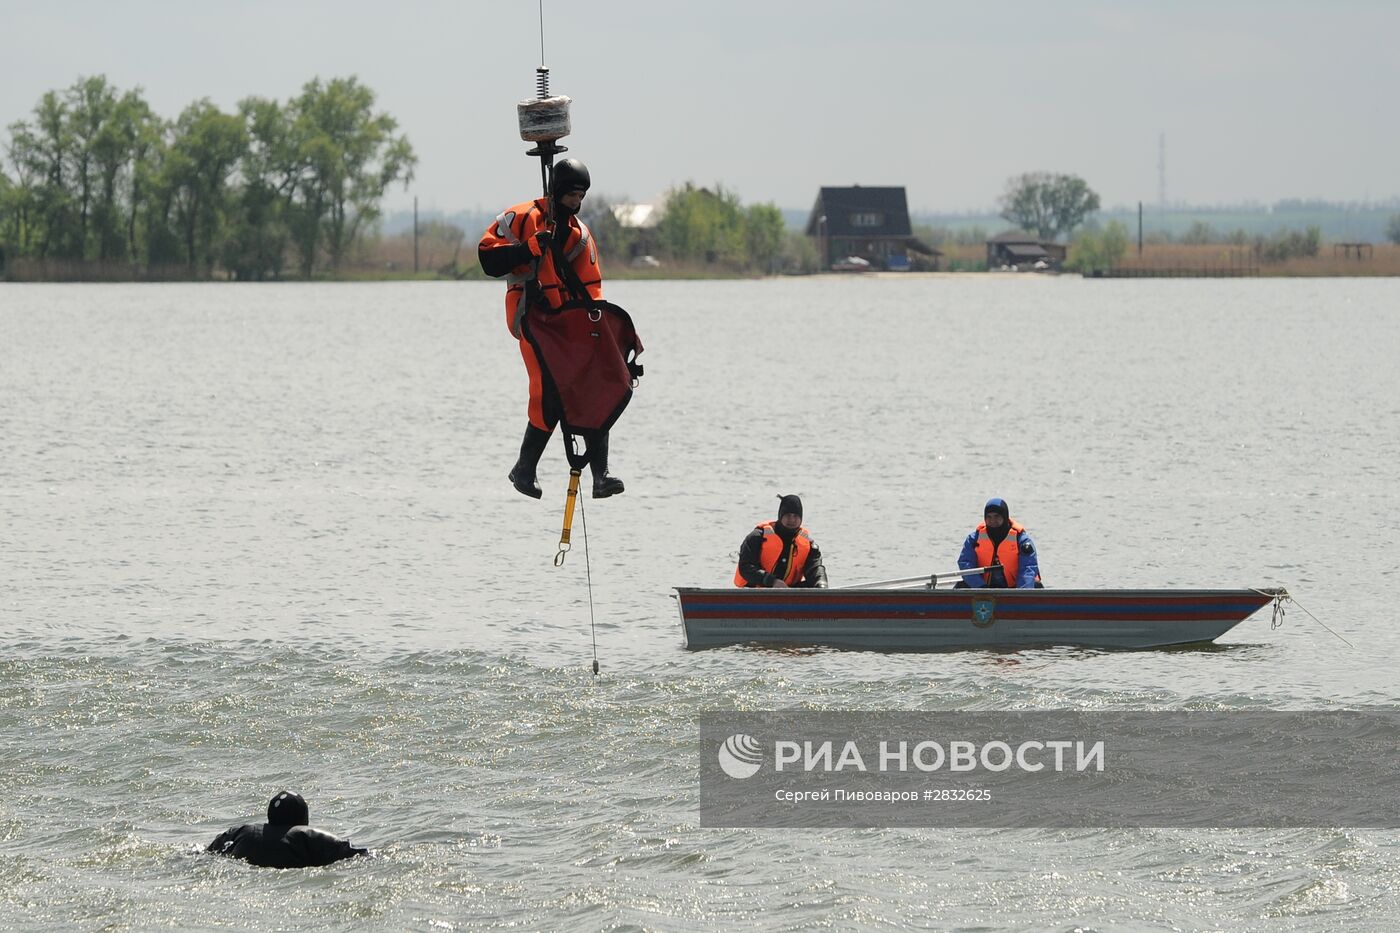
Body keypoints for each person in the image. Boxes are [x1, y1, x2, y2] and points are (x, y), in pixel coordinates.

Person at [478, 157, 637, 500]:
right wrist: (527, 249)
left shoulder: (580, 236)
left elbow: (593, 291)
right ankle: (524, 469)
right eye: (571, 196)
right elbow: (486, 258)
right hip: (532, 317)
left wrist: (607, 336)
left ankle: (601, 474)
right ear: (557, 192)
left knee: (598, 384)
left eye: (581, 197)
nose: (576, 203)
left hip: (568, 322)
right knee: (549, 391)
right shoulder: (523, 217)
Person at [206, 790, 368, 869]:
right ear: (303, 818)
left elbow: (207, 853)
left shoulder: (242, 831)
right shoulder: (310, 837)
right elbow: (358, 855)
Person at [734, 494, 828, 588]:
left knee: (816, 583)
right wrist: (772, 581)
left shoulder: (809, 545)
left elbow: (815, 568)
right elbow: (745, 567)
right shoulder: (757, 537)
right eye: (788, 515)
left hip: (788, 593)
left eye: (795, 516)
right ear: (780, 516)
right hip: (753, 591)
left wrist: (821, 584)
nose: (792, 519)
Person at [955, 497, 1043, 588]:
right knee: (961, 586)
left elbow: (1028, 567)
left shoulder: (1021, 540)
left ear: (1004, 517)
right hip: (982, 587)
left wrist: (1022, 593)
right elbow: (965, 563)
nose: (993, 521)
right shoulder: (973, 539)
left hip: (1015, 588)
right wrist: (981, 587)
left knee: (1036, 585)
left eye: (996, 516)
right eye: (989, 517)